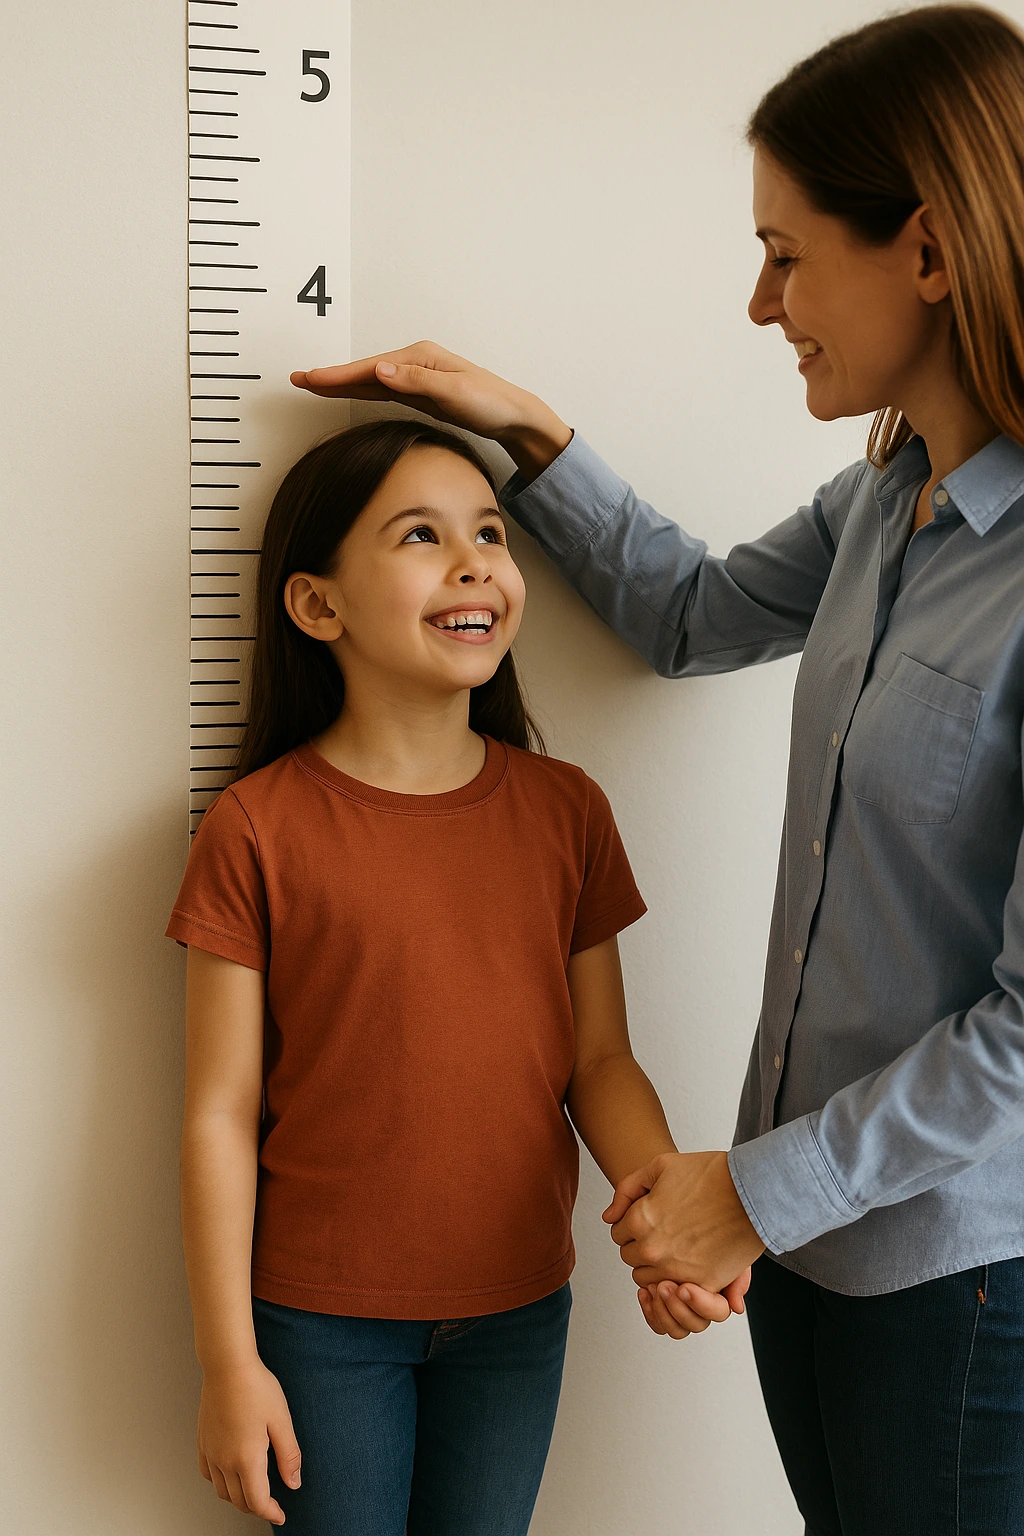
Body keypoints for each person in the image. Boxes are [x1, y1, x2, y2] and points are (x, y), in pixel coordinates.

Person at [290, 7, 1024, 1530]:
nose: (762, 304)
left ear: (932, 251)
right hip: (807, 1257)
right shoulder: (884, 506)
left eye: (787, 251)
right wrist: (515, 429)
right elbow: (688, 615)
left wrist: (750, 1192)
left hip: (961, 1281)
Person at [169, 418, 738, 1534]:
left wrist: (668, 1214)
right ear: (317, 606)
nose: (476, 560)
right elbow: (219, 1116)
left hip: (519, 1312)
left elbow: (599, 1060)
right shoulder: (257, 829)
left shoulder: (565, 810)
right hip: (320, 1325)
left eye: (489, 531)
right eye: (422, 536)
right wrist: (228, 1362)